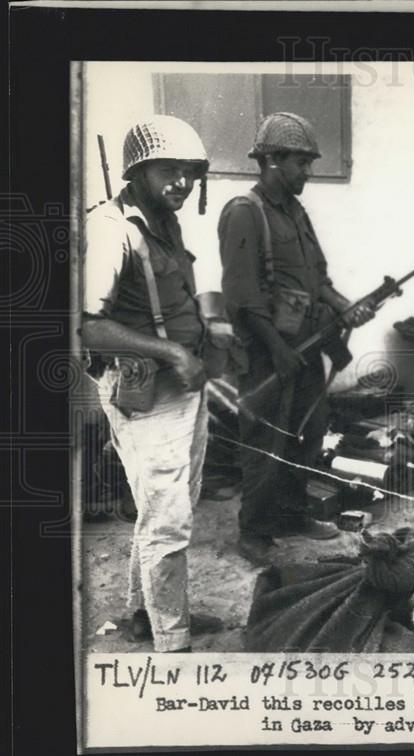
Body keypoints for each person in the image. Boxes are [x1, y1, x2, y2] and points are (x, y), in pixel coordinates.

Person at [82, 115, 224, 652]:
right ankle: (173, 644)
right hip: (146, 394)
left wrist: (204, 339)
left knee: (170, 508)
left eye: (190, 173)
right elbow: (87, 323)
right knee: (167, 522)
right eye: (169, 170)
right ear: (137, 171)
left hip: (185, 386)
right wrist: (169, 350)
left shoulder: (166, 222)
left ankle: (150, 615)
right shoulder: (110, 229)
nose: (182, 183)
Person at [218, 112, 374, 566]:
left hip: (305, 347)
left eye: (309, 162)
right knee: (265, 441)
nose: (308, 171)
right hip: (269, 354)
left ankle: (289, 514)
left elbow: (318, 278)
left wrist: (348, 307)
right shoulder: (245, 213)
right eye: (301, 162)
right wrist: (278, 350)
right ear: (270, 160)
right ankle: (254, 532)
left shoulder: (296, 212)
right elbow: (242, 297)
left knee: (308, 433)